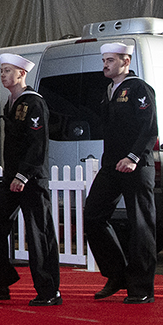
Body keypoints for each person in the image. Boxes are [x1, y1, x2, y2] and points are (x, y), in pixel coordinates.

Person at [0, 54, 61, 306]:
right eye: (1, 71)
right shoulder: (11, 102)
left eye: (8, 71)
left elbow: (37, 143)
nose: (3, 75)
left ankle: (49, 290)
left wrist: (23, 174)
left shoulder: (33, 103)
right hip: (12, 176)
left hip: (30, 178)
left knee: (38, 232)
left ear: (22, 74)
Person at [84, 42, 157, 304]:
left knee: (140, 224)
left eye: (111, 60)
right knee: (92, 214)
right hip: (111, 164)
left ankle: (142, 289)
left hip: (136, 165)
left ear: (126, 61)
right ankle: (117, 274)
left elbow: (149, 128)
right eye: (104, 60)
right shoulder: (110, 89)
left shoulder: (138, 87)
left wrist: (133, 157)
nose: (105, 64)